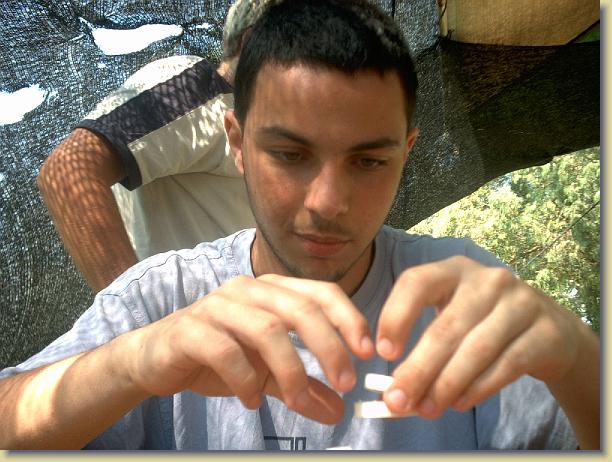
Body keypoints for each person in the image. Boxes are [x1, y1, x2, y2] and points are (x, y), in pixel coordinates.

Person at [0, 0, 599, 450]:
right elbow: (68, 168)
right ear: (237, 140)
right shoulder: (160, 293)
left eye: (370, 161)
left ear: (407, 153)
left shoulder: (465, 291)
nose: (328, 203)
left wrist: (580, 363)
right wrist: (131, 355)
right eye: (289, 154)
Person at [36, 0, 276, 292]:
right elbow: (67, 169)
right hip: (177, 316)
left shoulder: (271, 127)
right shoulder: (197, 87)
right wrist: (131, 309)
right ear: (250, 42)